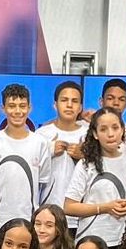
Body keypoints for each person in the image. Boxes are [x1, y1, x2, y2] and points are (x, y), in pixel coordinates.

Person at [64, 108, 126, 249]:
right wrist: (104, 208)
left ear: (122, 130)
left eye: (115, 128)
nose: (110, 134)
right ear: (95, 134)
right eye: (103, 129)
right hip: (91, 241)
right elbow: (69, 207)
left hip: (123, 240)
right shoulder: (86, 165)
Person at [0, 84, 53, 223]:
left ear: (29, 108)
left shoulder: (40, 142)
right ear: (3, 108)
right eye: (11, 106)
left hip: (29, 218)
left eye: (22, 106)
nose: (17, 111)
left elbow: (43, 183)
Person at [35, 81, 88, 223]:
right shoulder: (41, 134)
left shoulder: (90, 134)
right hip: (48, 213)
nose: (69, 105)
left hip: (81, 216)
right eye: (64, 100)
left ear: (80, 107)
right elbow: (31, 170)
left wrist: (84, 156)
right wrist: (48, 151)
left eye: (74, 101)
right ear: (55, 105)